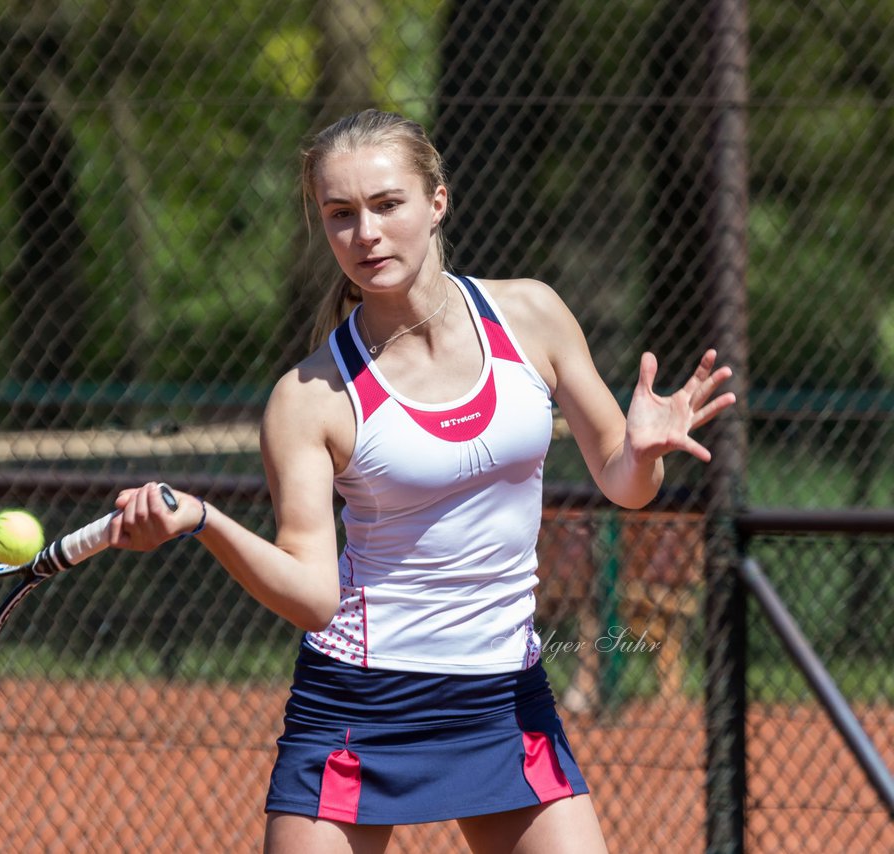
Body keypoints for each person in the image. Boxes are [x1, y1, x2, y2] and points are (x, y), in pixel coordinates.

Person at [108, 109, 735, 854]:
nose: (365, 234)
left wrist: (644, 451)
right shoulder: (309, 398)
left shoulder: (530, 315)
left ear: (437, 201)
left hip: (504, 698)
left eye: (386, 204)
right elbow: (313, 599)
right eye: (340, 215)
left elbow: (628, 485)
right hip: (359, 706)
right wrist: (205, 520)